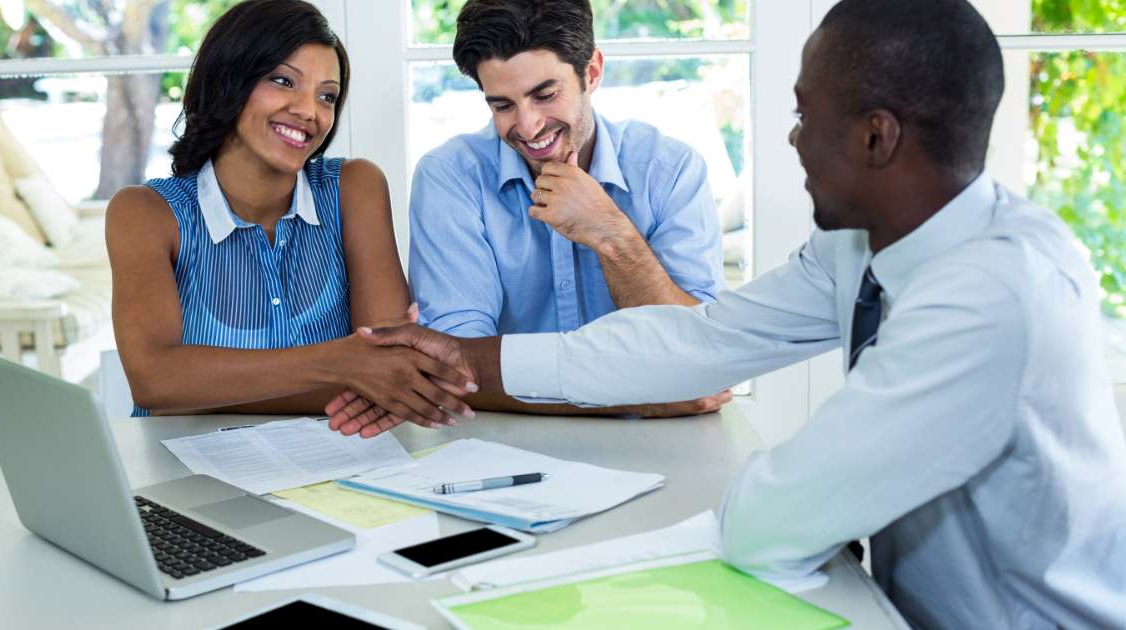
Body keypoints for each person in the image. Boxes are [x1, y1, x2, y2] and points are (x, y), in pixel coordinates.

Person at [327, 0, 1126, 626]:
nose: (790, 139)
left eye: (807, 116)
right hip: (898, 605)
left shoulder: (989, 295)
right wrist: (467, 357)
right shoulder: (861, 248)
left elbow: (766, 519)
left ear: (878, 138)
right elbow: (705, 340)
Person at [105, 0, 474, 426]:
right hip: (184, 473)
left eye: (327, 96)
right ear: (229, 80)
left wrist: (206, 386)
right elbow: (156, 382)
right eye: (283, 81)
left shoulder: (355, 188)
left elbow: (391, 373)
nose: (309, 111)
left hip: (339, 464)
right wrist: (342, 362)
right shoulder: (146, 213)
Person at [405, 0, 732, 417]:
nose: (527, 126)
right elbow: (455, 368)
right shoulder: (449, 177)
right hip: (503, 438)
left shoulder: (670, 171)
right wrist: (625, 399)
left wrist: (610, 233)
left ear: (591, 72)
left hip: (664, 437)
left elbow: (702, 354)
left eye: (545, 95)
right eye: (502, 105)